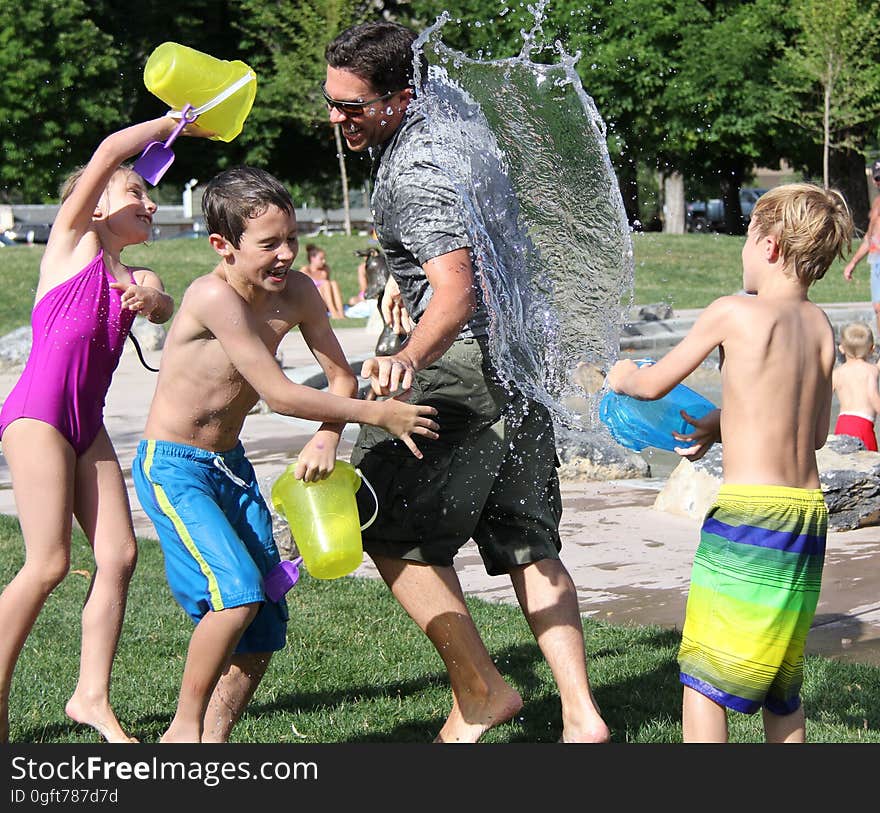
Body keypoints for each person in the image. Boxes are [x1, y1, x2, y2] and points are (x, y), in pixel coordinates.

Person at [325, 21, 609, 744]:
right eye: (330, 101)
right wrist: (401, 281)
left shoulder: (415, 170)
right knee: (528, 541)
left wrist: (410, 356)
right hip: (521, 363)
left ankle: (482, 691)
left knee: (377, 517)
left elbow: (454, 293)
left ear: (398, 96)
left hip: (463, 366)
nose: (337, 118)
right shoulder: (452, 118)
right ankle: (582, 717)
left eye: (353, 107)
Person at [131, 166, 438, 743]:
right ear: (223, 246)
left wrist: (328, 435)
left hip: (229, 466)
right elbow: (276, 392)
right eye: (268, 243)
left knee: (265, 614)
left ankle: (212, 741)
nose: (285, 254)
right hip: (174, 466)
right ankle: (181, 731)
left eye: (291, 238)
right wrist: (380, 415)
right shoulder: (211, 296)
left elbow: (338, 377)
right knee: (237, 593)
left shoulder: (298, 291)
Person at [607, 182, 854, 743]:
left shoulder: (733, 312)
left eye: (745, 241)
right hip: (806, 516)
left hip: (751, 519)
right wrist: (723, 423)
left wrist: (621, 376)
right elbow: (813, 433)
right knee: (780, 685)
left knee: (704, 679)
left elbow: (651, 385)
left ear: (768, 247)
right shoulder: (821, 327)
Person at [0, 116, 201, 743]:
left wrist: (157, 302)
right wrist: (174, 122)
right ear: (91, 207)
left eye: (150, 194)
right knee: (49, 562)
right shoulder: (70, 245)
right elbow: (111, 149)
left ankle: (90, 696)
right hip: (38, 415)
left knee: (118, 555)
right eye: (135, 194)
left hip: (86, 424)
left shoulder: (134, 277)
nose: (150, 202)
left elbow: (163, 299)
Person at [843, 160, 880, 335]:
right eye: (878, 178)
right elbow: (869, 238)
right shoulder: (876, 204)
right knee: (878, 308)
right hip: (875, 260)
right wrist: (853, 263)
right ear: (874, 180)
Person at [831, 321, 880, 451]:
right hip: (863, 425)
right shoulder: (871, 371)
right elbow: (873, 397)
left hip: (842, 424)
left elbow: (822, 399)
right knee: (869, 467)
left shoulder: (837, 373)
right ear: (872, 349)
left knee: (844, 465)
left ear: (841, 348)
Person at [299, 243, 345, 319]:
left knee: (333, 283)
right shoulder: (305, 270)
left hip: (325, 301)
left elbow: (330, 291)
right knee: (326, 283)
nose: (324, 261)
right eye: (321, 259)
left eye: (324, 259)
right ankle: (333, 312)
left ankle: (341, 312)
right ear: (312, 258)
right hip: (312, 301)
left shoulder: (325, 270)